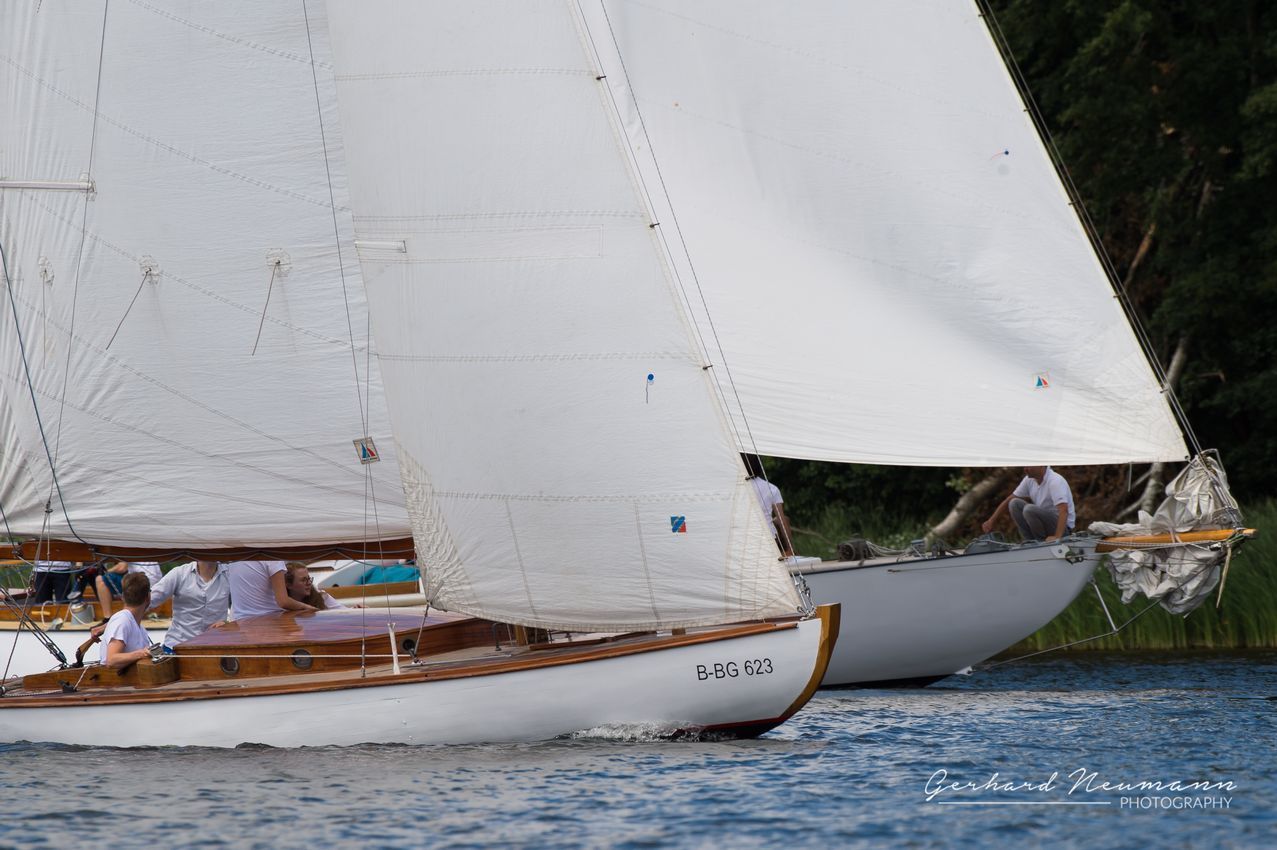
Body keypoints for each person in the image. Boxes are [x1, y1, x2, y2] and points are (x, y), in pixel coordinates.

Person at [148, 560, 231, 651]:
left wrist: (230, 623)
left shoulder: (230, 574)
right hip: (177, 646)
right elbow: (147, 601)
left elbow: (241, 608)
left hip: (215, 647)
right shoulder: (179, 574)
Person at [982, 465, 1076, 543]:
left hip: (1063, 529)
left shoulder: (1055, 481)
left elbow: (1064, 510)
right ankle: (1030, 541)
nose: (1025, 469)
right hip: (1047, 526)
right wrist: (991, 521)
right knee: (1014, 503)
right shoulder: (1029, 480)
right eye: (1024, 466)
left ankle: (1040, 542)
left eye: (1029, 466)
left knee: (1029, 509)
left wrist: (1057, 537)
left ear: (1041, 465)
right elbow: (1009, 499)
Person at [222, 560, 314, 620]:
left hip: (240, 622)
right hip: (271, 621)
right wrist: (308, 607)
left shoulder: (233, 560)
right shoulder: (272, 559)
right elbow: (283, 602)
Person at [741, 454, 794, 557]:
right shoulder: (772, 488)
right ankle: (787, 552)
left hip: (745, 539)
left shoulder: (737, 488)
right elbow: (782, 521)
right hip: (769, 538)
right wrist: (790, 549)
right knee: (782, 519)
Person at [100, 573, 154, 669]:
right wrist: (142, 653)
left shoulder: (136, 625)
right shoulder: (122, 620)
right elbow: (111, 660)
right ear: (148, 597)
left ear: (123, 597)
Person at [95, 561, 165, 617]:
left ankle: (107, 617)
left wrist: (107, 571)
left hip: (141, 581)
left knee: (100, 580)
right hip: (156, 581)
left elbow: (121, 568)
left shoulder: (127, 548)